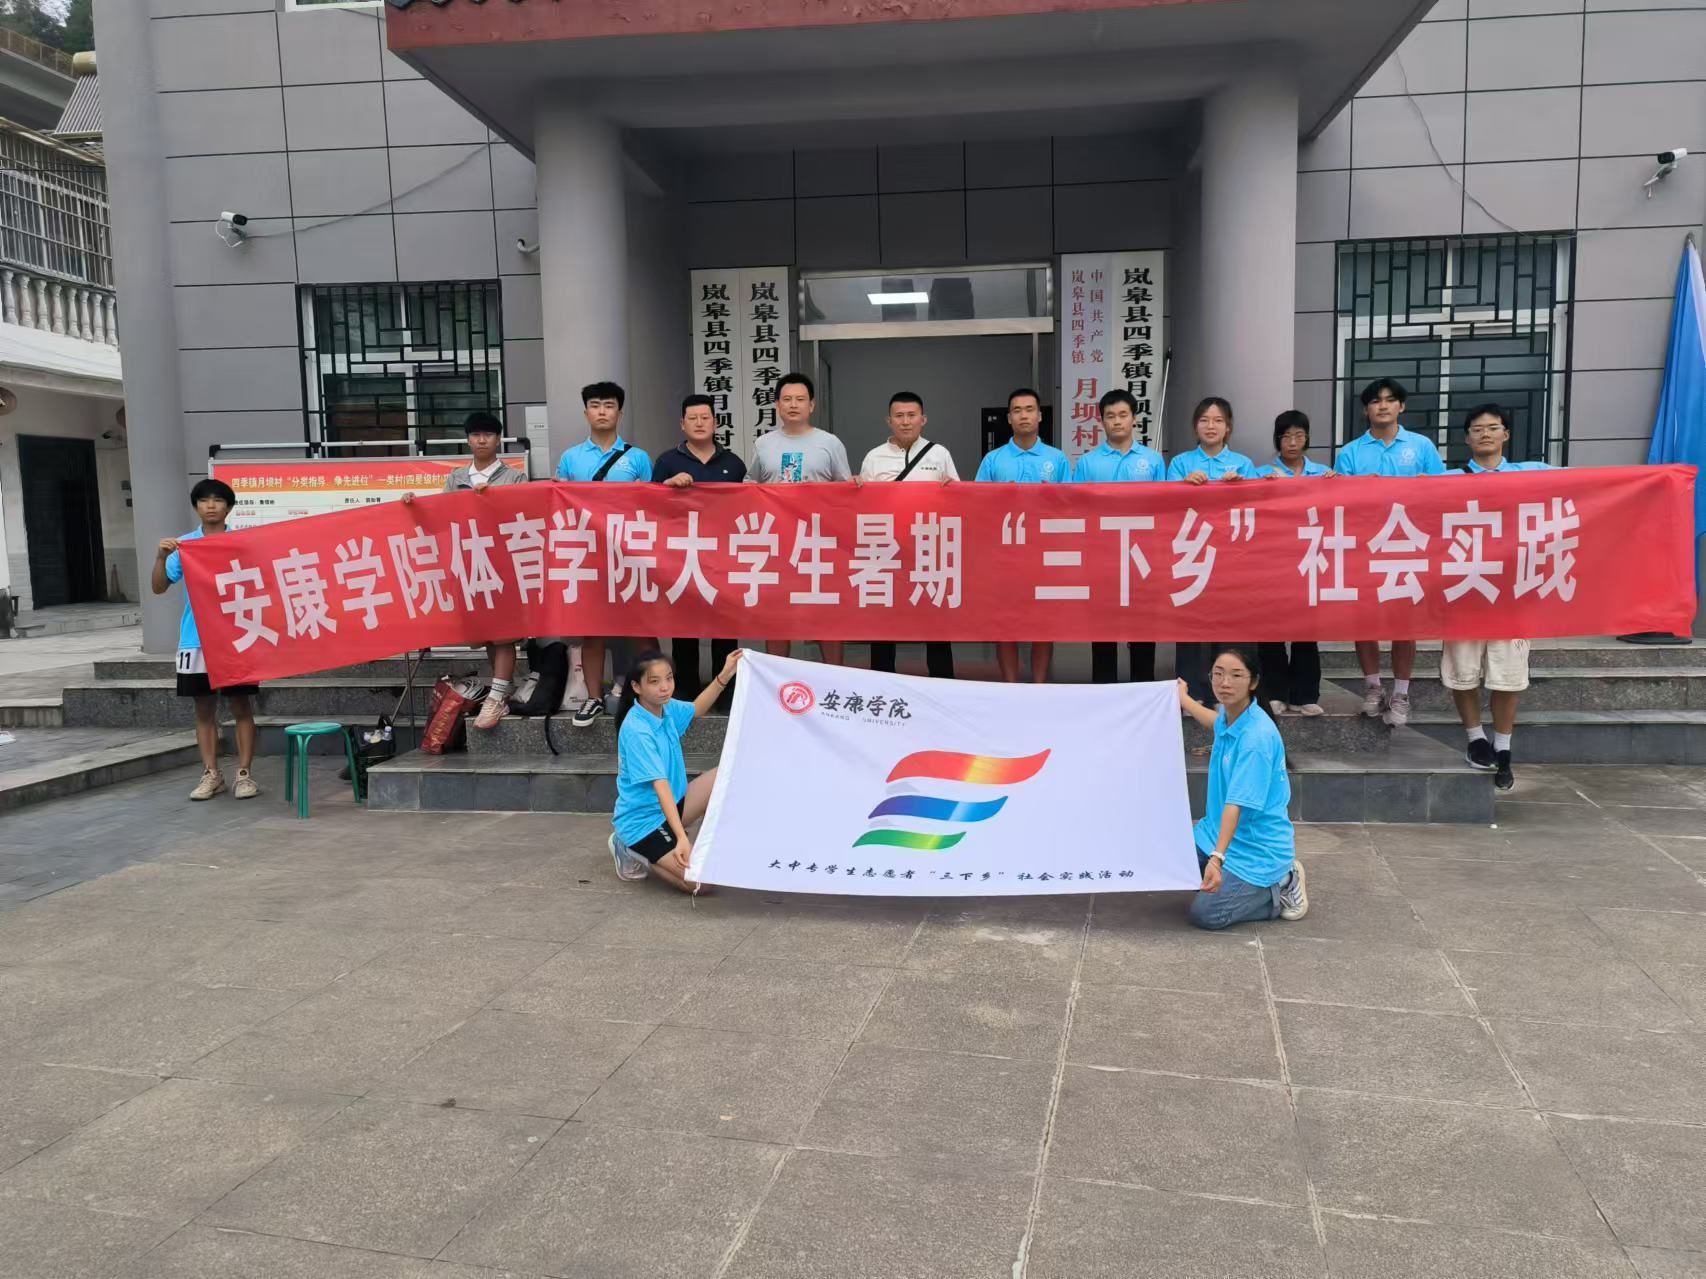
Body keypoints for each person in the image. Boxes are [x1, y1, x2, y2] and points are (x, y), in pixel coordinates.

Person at [1445, 403, 1551, 792]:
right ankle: (1475, 739)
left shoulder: (1531, 473)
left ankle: (1503, 748)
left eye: (1493, 427)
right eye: (1477, 429)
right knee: (1463, 671)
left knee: (1508, 675)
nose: (1485, 434)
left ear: (1506, 434)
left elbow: (1588, 483)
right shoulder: (1446, 480)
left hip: (1512, 592)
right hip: (1464, 587)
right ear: (1467, 438)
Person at [403, 411, 531, 729]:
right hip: (469, 564)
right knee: (487, 634)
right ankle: (503, 690)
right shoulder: (456, 477)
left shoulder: (514, 478)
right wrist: (414, 504)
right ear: (468, 440)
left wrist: (493, 501)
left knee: (504, 634)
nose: (482, 440)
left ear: (498, 440)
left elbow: (524, 515)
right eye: (476, 435)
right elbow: (440, 515)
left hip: (501, 563)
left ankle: (495, 698)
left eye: (488, 434)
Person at [1333, 377, 1446, 727]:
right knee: (1364, 620)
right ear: (1366, 409)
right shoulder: (1350, 452)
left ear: (1401, 406)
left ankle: (1400, 692)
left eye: (1389, 400)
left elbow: (1443, 492)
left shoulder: (1421, 446)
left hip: (1407, 544)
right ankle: (1373, 687)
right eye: (1375, 401)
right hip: (1365, 546)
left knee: (1403, 622)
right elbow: (1340, 501)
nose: (1382, 406)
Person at [1177, 645, 1308, 929]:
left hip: (1255, 850)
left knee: (1206, 914)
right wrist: (1184, 699)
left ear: (1253, 681)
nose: (1225, 682)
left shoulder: (1255, 740)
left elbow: (1235, 805)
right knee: (1172, 865)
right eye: (1218, 674)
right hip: (1215, 833)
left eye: (1236, 675)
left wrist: (1217, 858)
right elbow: (1216, 723)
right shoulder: (1234, 716)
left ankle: (1283, 884)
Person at [152, 479, 261, 801]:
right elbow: (159, 587)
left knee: (240, 705)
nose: (211, 505)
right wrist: (160, 558)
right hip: (195, 639)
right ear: (196, 506)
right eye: (204, 500)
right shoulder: (183, 546)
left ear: (229, 506)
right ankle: (211, 774)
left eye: (217, 500)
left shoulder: (242, 542)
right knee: (204, 709)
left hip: (236, 637)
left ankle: (244, 774)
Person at [555, 381, 656, 727]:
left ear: (620, 413)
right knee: (592, 628)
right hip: (588, 554)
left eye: (609, 405)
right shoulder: (570, 458)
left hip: (630, 553)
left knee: (642, 626)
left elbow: (654, 505)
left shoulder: (638, 458)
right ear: (586, 413)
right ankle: (594, 696)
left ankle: (652, 694)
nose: (602, 411)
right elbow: (559, 504)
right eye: (595, 405)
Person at [609, 647, 744, 893]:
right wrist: (681, 837)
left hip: (673, 804)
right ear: (637, 687)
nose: (664, 687)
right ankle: (631, 847)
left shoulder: (666, 707)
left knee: (728, 775)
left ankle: (688, 846)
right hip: (644, 823)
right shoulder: (637, 730)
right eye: (654, 681)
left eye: (669, 678)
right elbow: (660, 786)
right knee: (702, 884)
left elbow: (696, 709)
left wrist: (725, 675)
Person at [745, 371, 851, 666]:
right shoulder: (764, 444)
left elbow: (846, 491)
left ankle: (835, 675)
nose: (793, 405)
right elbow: (750, 484)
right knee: (778, 612)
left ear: (811, 405)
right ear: (777, 405)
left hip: (820, 542)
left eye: (800, 399)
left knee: (825, 611)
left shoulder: (830, 443)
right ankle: (777, 675)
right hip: (777, 542)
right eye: (787, 399)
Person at [857, 390, 958, 679]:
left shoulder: (940, 454)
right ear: (888, 420)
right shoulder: (874, 457)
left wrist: (951, 489)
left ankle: (942, 683)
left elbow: (958, 500)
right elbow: (863, 506)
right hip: (886, 551)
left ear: (923, 419)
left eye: (911, 415)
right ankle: (883, 681)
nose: (905, 421)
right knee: (884, 621)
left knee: (935, 620)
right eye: (899, 416)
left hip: (929, 549)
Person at [975, 387, 1072, 683]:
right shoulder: (993, 460)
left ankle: (1039, 685)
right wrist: (999, 497)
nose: (1024, 415)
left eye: (1029, 409)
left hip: (1046, 553)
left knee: (1043, 624)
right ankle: (1011, 686)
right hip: (1005, 554)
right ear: (1009, 418)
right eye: (1017, 410)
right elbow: (976, 503)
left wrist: (1052, 497)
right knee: (1007, 623)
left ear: (1040, 415)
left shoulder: (1057, 459)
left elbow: (1072, 505)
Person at [654, 394, 747, 701]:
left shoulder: (733, 463)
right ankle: (686, 689)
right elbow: (649, 504)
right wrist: (667, 487)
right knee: (684, 625)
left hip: (723, 553)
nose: (699, 423)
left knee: (725, 624)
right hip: (682, 554)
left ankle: (727, 689)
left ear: (715, 422)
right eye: (692, 418)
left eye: (705, 418)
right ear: (682, 424)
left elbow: (748, 506)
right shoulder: (667, 461)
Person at [1071, 388, 1165, 685]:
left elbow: (1165, 507)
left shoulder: (1152, 460)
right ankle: (1104, 689)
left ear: (1134, 419)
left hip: (1142, 556)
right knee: (1103, 628)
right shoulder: (1087, 463)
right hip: (1102, 556)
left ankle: (1143, 687)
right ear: (1102, 421)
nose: (1117, 421)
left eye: (1123, 415)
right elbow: (1076, 508)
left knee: (1143, 627)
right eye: (1110, 416)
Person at [1169, 397, 1256, 703]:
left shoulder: (1243, 464)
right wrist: (1182, 485)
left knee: (1227, 627)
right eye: (1204, 420)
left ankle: (1225, 694)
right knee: (1189, 628)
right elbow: (1164, 505)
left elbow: (1259, 506)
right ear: (1195, 426)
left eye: (1218, 420)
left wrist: (1240, 487)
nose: (1211, 426)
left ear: (1228, 427)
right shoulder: (1180, 463)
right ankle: (1190, 694)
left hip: (1231, 557)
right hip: (1190, 554)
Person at [1256, 409, 1328, 716]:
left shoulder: (1323, 474)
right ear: (1277, 440)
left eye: (1299, 435)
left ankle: (1305, 694)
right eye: (1286, 436)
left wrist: (1336, 485)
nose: (1293, 442)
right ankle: (1275, 692)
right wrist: (1263, 488)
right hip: (1272, 561)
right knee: (1270, 631)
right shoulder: (1261, 474)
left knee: (1306, 631)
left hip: (1310, 558)